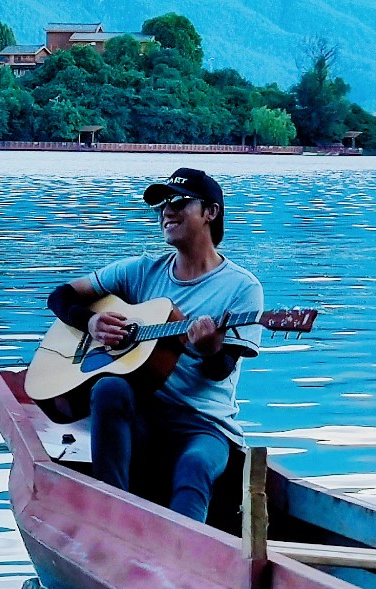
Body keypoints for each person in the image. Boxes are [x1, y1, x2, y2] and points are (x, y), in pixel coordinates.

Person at [45, 168, 264, 521]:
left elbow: (220, 369)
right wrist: (90, 322)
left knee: (194, 466)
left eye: (179, 202)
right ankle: (112, 517)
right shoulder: (141, 271)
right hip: (142, 416)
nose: (166, 211)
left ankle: (183, 556)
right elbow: (61, 295)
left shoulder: (242, 288)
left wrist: (209, 350)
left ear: (211, 212)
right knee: (109, 388)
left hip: (203, 425)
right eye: (161, 204)